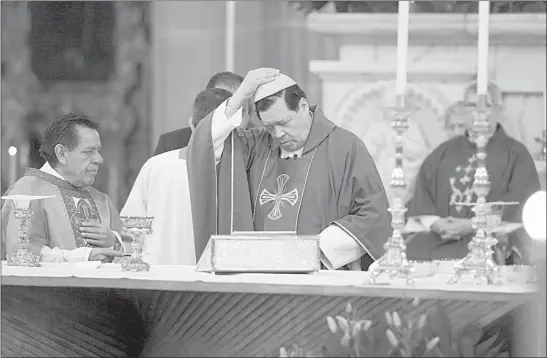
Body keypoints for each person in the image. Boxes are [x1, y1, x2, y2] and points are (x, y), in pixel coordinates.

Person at [187, 68, 392, 270]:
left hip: (321, 274)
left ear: (303, 106)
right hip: (259, 276)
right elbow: (207, 143)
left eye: (284, 122)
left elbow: (373, 213)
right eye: (269, 126)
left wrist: (313, 250)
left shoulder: (345, 146)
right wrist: (240, 96)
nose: (278, 134)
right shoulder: (255, 145)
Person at [405, 81, 541, 261]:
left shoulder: (516, 155)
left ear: (499, 110)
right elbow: (423, 195)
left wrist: (472, 225)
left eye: (487, 106)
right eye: (472, 105)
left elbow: (523, 206)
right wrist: (435, 223)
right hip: (440, 239)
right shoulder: (442, 153)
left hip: (489, 241)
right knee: (406, 254)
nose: (479, 112)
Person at [121, 88, 232, 265]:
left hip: (157, 278)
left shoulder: (155, 165)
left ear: (192, 125)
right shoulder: (235, 173)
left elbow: (131, 232)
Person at [1, 113, 125, 262]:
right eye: (88, 152)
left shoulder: (102, 200)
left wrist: (114, 242)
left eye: (98, 150)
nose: (99, 159)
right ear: (61, 153)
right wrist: (84, 257)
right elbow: (21, 254)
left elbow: (135, 257)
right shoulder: (27, 193)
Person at [153, 71, 244, 156]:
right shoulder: (171, 143)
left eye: (237, 105)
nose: (230, 110)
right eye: (221, 98)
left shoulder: (250, 144)